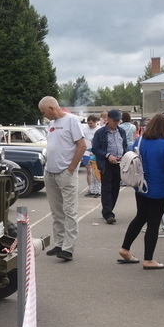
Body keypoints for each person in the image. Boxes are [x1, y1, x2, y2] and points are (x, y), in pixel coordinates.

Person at [118, 113, 164, 269]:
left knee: (140, 216)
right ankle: (148, 259)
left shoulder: (141, 140)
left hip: (141, 185)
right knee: (154, 223)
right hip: (159, 187)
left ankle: (125, 248)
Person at [38, 96, 87, 261]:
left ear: (51, 108)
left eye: (44, 112)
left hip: (65, 173)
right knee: (56, 211)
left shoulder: (71, 121)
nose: (44, 116)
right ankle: (59, 243)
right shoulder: (51, 124)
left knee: (69, 210)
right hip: (50, 172)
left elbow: (82, 145)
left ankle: (68, 248)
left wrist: (71, 168)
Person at [92, 109, 128, 224]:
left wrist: (124, 156)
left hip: (119, 163)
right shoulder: (101, 133)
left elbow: (125, 146)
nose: (117, 123)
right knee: (106, 188)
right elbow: (95, 149)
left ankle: (108, 209)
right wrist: (108, 156)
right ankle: (108, 213)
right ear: (108, 119)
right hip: (106, 164)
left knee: (115, 188)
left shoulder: (121, 131)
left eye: (118, 120)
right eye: (115, 120)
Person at [82, 115, 100, 197]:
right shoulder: (84, 130)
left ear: (95, 122)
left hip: (95, 153)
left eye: (91, 123)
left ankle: (98, 189)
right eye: (89, 123)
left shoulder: (99, 129)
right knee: (89, 171)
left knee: (96, 171)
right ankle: (91, 188)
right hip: (86, 153)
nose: (90, 125)